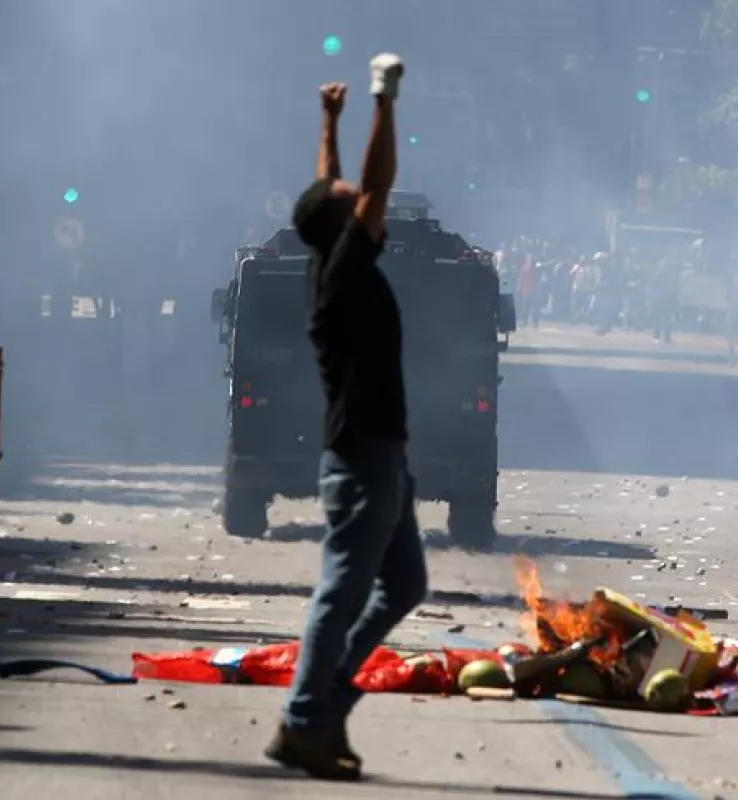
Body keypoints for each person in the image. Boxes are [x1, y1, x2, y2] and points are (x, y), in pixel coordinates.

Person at [263, 53, 428, 782]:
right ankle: (305, 718)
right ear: (342, 221)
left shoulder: (326, 255)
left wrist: (327, 123)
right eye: (348, 197)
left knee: (406, 585)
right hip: (363, 460)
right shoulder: (342, 270)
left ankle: (324, 704)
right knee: (343, 592)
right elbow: (374, 183)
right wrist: (382, 101)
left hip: (377, 458)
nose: (363, 199)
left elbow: (328, 193)